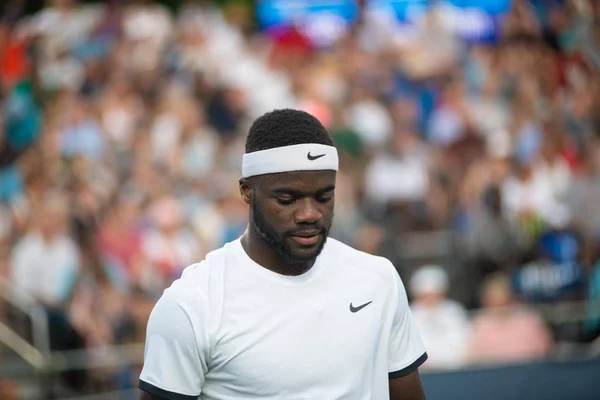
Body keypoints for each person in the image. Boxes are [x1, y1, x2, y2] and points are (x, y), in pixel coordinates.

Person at [138, 109, 428, 400]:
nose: (309, 214)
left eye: (324, 197)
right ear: (247, 191)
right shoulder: (191, 305)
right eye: (287, 199)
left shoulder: (378, 279)